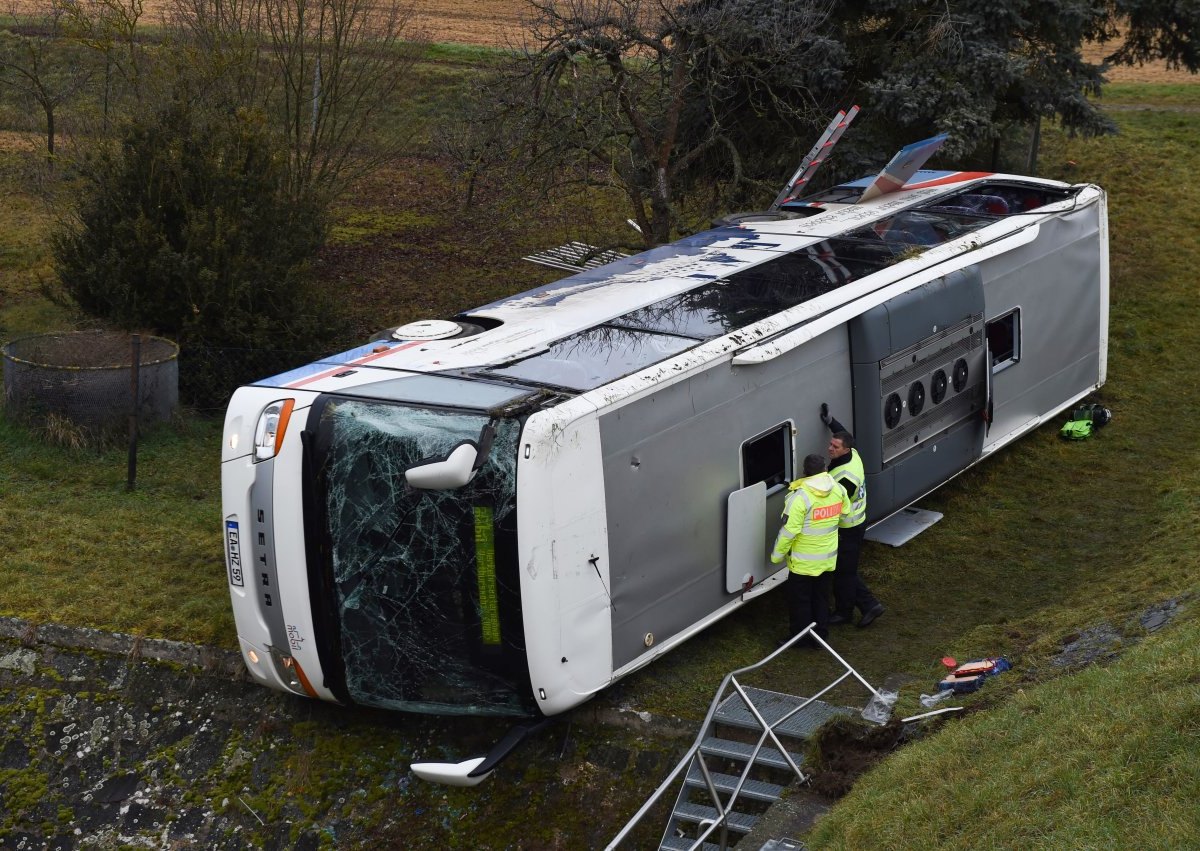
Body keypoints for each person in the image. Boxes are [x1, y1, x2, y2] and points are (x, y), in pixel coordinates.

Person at [771, 453, 850, 647]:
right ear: (824, 469)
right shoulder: (838, 489)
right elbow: (845, 514)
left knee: (800, 602)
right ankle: (821, 635)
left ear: (805, 472)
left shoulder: (800, 497)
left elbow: (789, 532)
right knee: (821, 598)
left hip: (803, 563)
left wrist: (776, 556)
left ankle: (800, 638)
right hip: (827, 560)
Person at [820, 403, 885, 628]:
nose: (830, 449)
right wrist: (832, 423)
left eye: (835, 447)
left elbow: (835, 504)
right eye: (831, 444)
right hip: (855, 523)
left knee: (844, 573)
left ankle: (847, 612)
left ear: (845, 450)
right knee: (844, 570)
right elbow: (846, 436)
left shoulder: (845, 478)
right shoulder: (853, 453)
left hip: (849, 528)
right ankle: (868, 606)